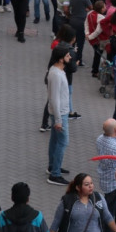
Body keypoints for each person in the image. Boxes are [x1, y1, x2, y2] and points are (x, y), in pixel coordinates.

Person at [47, 45, 71, 185]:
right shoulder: (56, 74)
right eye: (68, 56)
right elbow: (54, 98)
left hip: (60, 113)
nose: (70, 57)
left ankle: (53, 166)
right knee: (63, 142)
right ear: (61, 59)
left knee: (55, 140)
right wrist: (58, 119)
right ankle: (55, 174)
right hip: (60, 114)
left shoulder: (57, 71)